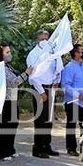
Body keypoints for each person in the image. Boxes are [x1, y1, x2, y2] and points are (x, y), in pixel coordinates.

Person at [26, 29, 62, 158]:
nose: (44, 41)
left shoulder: (52, 52)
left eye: (46, 39)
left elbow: (57, 68)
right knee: (41, 119)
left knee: (49, 118)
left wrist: (57, 81)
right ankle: (38, 148)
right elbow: (33, 76)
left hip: (51, 87)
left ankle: (47, 146)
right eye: (42, 39)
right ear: (37, 40)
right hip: (39, 88)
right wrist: (41, 92)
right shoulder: (33, 54)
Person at [0, 42, 31, 161]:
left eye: (9, 52)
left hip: (12, 99)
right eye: (7, 52)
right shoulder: (0, 68)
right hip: (4, 101)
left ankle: (10, 149)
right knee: (4, 126)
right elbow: (13, 82)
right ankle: (2, 152)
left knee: (12, 125)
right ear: (0, 54)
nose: (10, 54)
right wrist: (26, 74)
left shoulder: (8, 66)